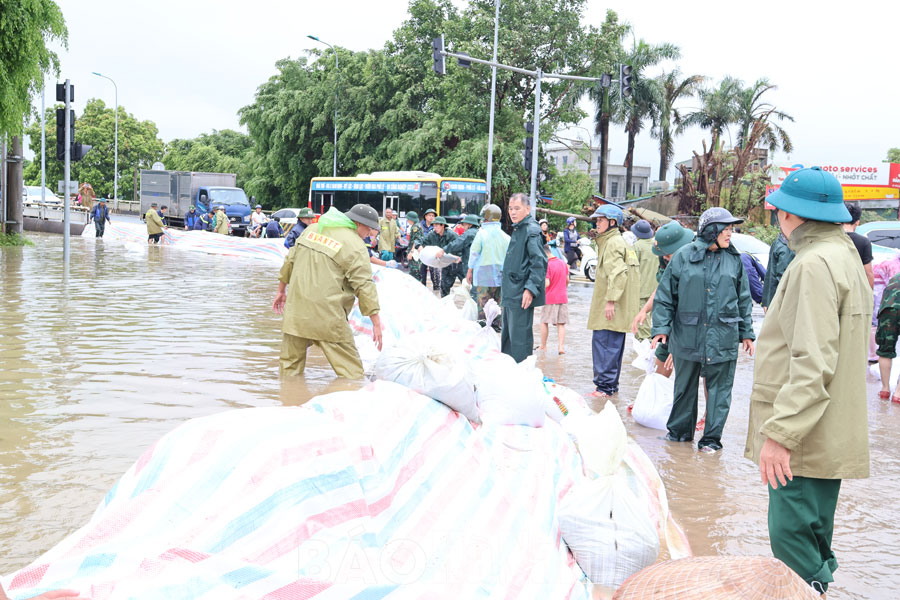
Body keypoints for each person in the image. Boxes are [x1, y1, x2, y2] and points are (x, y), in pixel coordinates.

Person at [745, 167, 871, 597]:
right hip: (828, 428)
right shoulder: (846, 256)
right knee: (812, 533)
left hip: (803, 436)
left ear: (790, 216)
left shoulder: (813, 264)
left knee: (792, 540)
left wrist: (781, 435)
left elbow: (811, 361)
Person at [652, 207, 755, 452]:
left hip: (723, 336)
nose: (730, 233)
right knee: (684, 389)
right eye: (726, 228)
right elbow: (666, 296)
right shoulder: (683, 256)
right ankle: (678, 435)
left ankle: (710, 441)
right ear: (711, 230)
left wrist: (747, 333)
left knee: (720, 394)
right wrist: (661, 328)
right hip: (687, 335)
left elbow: (743, 298)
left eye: (731, 228)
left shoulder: (734, 260)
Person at [272, 204, 383, 379]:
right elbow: (363, 285)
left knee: (289, 372)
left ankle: (289, 401)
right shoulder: (355, 244)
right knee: (352, 375)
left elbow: (289, 261)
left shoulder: (313, 229)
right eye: (369, 230)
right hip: (328, 316)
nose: (368, 235)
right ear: (358, 224)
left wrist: (280, 291)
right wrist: (376, 321)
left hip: (296, 313)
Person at [586, 205, 640, 398]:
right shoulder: (618, 241)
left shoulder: (612, 243)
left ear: (612, 222)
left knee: (604, 345)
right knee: (613, 346)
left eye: (600, 220)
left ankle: (604, 388)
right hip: (617, 306)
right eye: (597, 220)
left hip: (610, 307)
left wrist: (610, 301)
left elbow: (618, 274)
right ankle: (610, 387)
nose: (597, 223)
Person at [632, 221, 696, 377]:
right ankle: (656, 398)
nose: (666, 258)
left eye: (668, 254)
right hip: (674, 319)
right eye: (663, 255)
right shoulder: (666, 260)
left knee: (695, 374)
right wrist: (644, 310)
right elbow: (662, 289)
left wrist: (679, 347)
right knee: (662, 361)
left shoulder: (698, 262)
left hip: (694, 325)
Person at [500, 193, 547, 362]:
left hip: (520, 294)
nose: (512, 212)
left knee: (519, 339)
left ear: (527, 209)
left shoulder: (531, 230)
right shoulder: (519, 228)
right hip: (511, 292)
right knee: (508, 337)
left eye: (517, 208)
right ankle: (509, 372)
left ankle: (521, 375)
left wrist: (530, 289)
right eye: (510, 208)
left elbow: (539, 263)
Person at [467, 204, 510, 322]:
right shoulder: (506, 237)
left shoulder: (481, 234)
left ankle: (483, 324)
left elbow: (474, 253)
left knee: (483, 301)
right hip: (501, 273)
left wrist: (469, 270)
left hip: (484, 274)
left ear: (486, 218)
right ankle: (497, 324)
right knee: (498, 302)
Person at [538, 243, 569, 354]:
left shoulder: (547, 265)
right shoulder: (562, 263)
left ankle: (543, 345)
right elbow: (567, 280)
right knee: (561, 323)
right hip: (563, 297)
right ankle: (561, 347)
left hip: (550, 298)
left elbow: (547, 283)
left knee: (544, 321)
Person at [415, 216, 458, 296]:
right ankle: (444, 303)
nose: (435, 227)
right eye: (434, 225)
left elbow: (458, 245)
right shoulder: (432, 234)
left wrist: (446, 251)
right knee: (444, 286)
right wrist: (419, 246)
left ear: (443, 225)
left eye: (437, 225)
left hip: (456, 261)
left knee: (466, 282)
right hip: (444, 263)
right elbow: (420, 240)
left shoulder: (451, 235)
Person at [631, 219, 657, 340]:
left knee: (642, 321)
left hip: (640, 290)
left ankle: (644, 345)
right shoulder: (656, 245)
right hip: (656, 290)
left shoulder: (636, 247)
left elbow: (631, 267)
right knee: (654, 319)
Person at [876, 272, 900, 402]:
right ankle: (898, 393)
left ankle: (885, 390)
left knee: (885, 351)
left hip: (888, 312)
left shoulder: (895, 277)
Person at [437, 214, 480, 287]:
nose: (463, 227)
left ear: (470, 225)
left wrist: (444, 250)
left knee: (473, 288)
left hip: (471, 265)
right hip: (479, 265)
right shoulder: (478, 232)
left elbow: (457, 243)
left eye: (464, 224)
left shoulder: (469, 233)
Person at [843, 202, 875, 288]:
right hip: (856, 287)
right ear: (857, 222)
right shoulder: (864, 242)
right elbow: (868, 273)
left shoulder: (832, 238)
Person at [761, 231, 794, 310]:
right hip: (781, 297)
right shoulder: (778, 244)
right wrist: (767, 302)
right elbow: (771, 274)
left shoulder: (805, 242)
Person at [419, 208, 440, 290]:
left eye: (433, 216)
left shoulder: (437, 226)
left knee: (434, 271)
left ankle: (436, 288)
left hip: (433, 251)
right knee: (422, 271)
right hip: (423, 251)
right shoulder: (420, 226)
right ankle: (422, 288)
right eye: (429, 215)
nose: (431, 217)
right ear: (425, 216)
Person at [404, 211, 424, 278]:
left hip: (415, 252)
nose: (407, 220)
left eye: (408, 219)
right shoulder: (417, 226)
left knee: (414, 272)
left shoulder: (415, 227)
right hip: (415, 251)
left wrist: (411, 252)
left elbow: (416, 241)